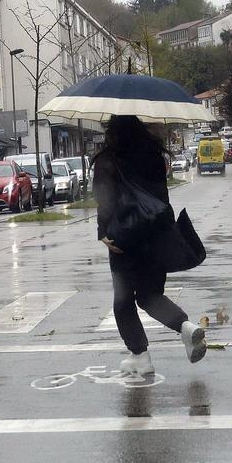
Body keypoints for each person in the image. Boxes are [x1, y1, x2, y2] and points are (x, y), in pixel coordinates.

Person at [93, 115, 206, 376]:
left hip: (124, 241)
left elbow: (105, 201)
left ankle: (140, 356)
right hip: (156, 237)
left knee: (123, 300)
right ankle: (185, 327)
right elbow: (160, 196)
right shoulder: (154, 155)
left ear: (113, 132)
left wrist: (103, 233)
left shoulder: (107, 160)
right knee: (149, 295)